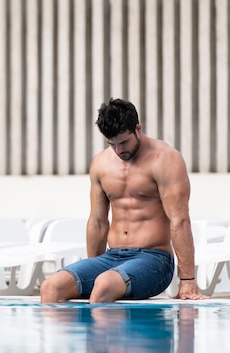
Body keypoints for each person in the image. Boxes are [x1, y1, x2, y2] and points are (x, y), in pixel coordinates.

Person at [40, 98, 207, 303]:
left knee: (104, 285)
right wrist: (94, 267)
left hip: (154, 260)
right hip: (112, 257)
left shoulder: (165, 160)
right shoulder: (101, 163)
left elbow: (179, 220)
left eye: (123, 142)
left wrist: (188, 280)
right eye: (111, 144)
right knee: (51, 287)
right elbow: (98, 221)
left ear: (138, 129)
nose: (119, 151)